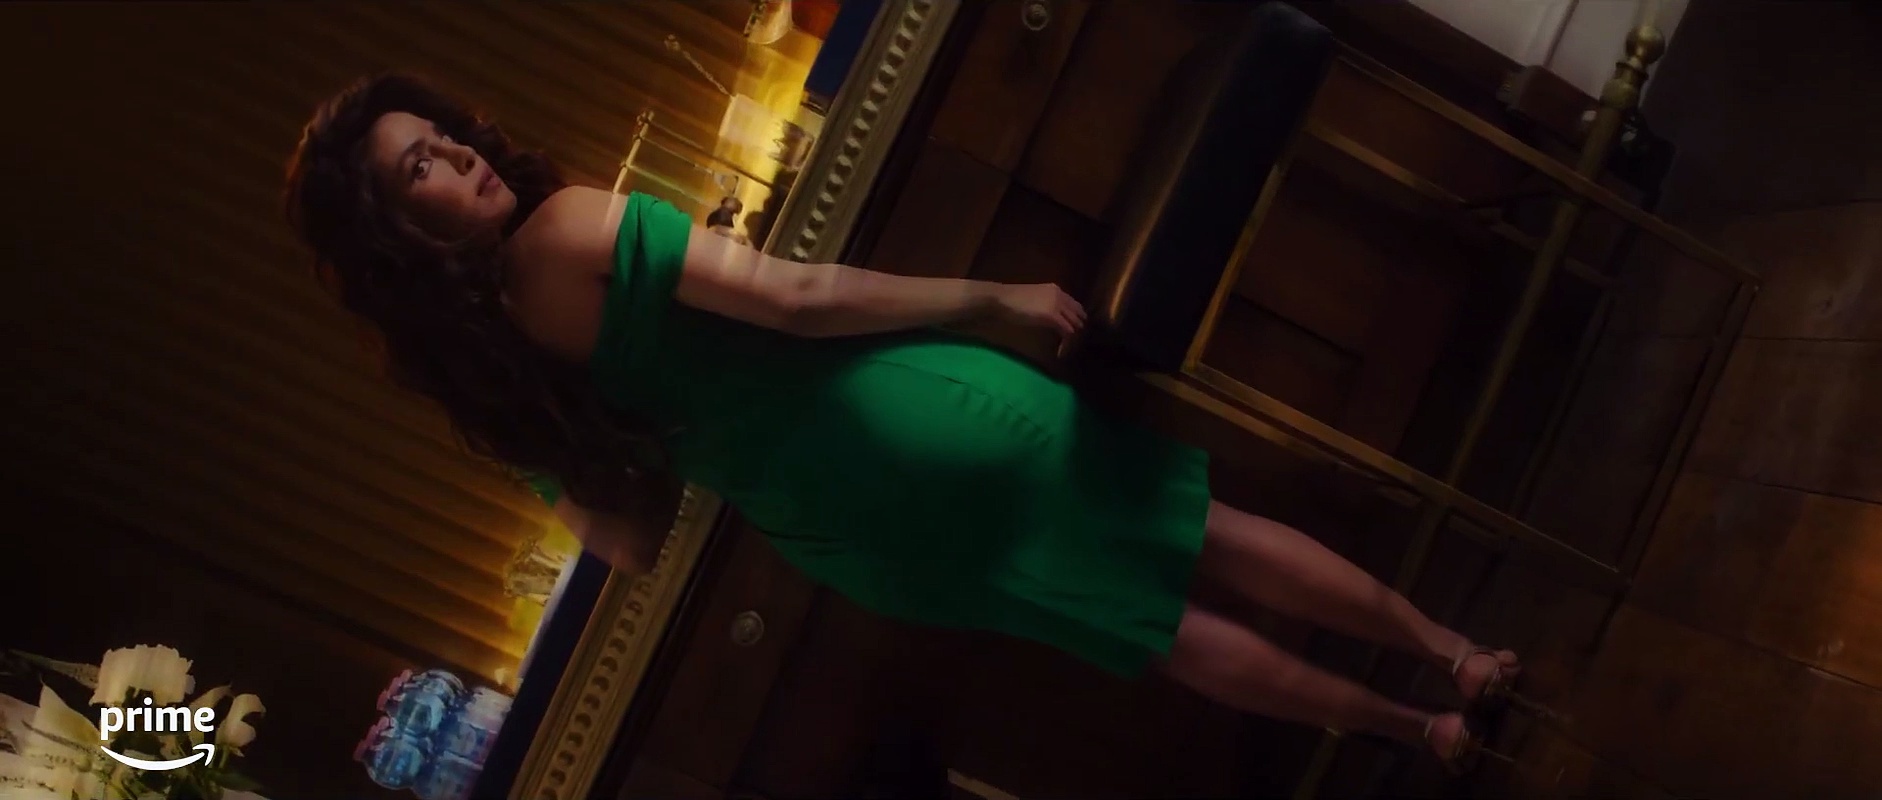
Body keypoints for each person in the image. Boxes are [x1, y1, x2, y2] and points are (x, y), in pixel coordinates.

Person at [283, 73, 1530, 771]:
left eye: (440, 136)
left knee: (1147, 628)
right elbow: (798, 297)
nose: (461, 155)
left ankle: (1416, 730)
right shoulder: (571, 224)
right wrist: (987, 297)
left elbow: (633, 539)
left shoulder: (497, 387)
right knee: (1203, 533)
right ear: (400, 233)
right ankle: (1454, 654)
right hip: (899, 413)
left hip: (845, 530)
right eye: (421, 167)